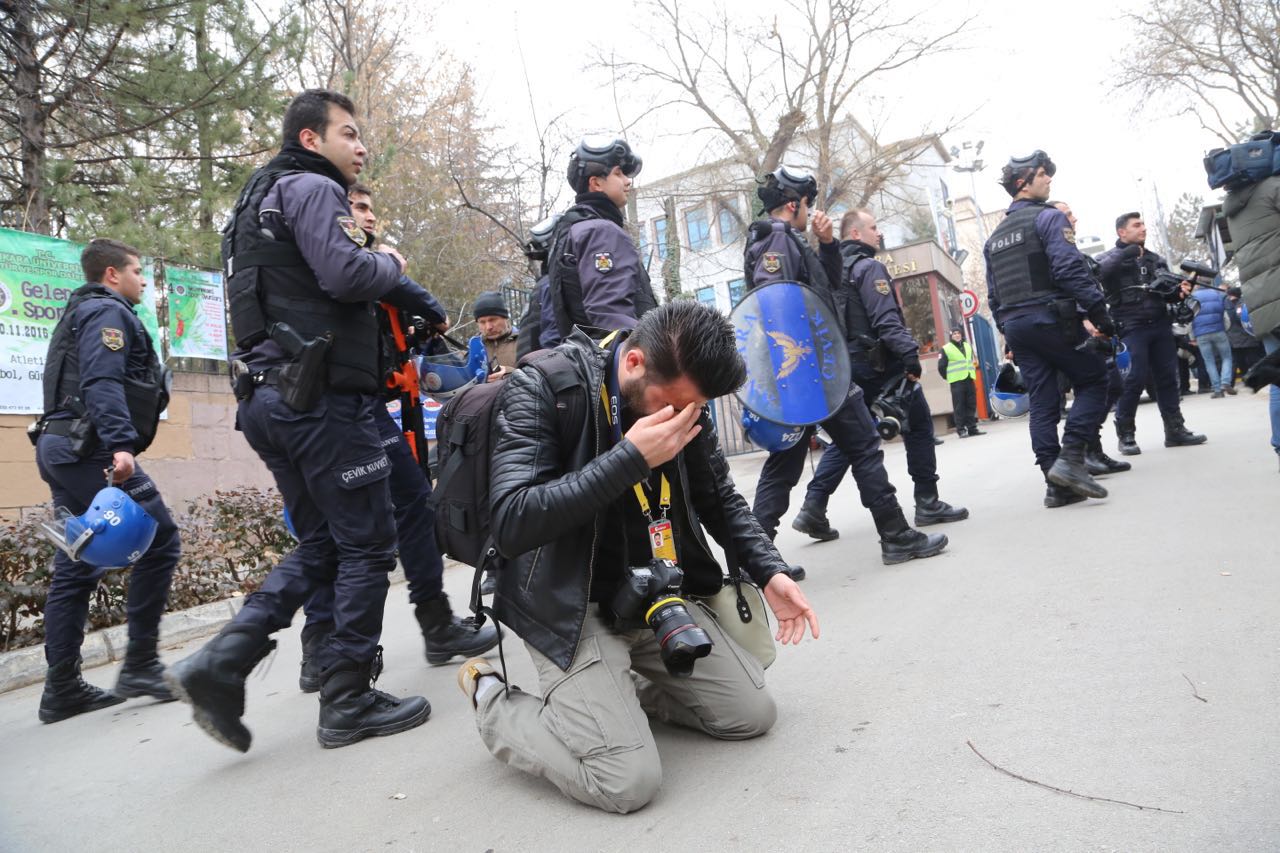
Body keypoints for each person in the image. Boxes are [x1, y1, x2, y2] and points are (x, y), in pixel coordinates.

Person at [456, 300, 819, 814]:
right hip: (570, 603)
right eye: (669, 407)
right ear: (633, 364)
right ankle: (490, 699)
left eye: (692, 409)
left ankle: (616, 698)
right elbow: (513, 519)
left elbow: (719, 496)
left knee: (752, 715)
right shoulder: (542, 386)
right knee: (626, 781)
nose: (679, 419)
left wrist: (770, 570)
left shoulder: (685, 399)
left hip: (651, 596)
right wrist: (630, 458)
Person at [166, 89, 430, 752]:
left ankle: (223, 661)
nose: (360, 145)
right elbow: (344, 275)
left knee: (321, 545)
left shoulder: (254, 203)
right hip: (320, 403)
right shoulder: (311, 189)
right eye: (348, 133)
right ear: (311, 140)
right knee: (369, 541)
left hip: (267, 402)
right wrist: (389, 262)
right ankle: (347, 699)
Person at [291, 182, 498, 692]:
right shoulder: (344, 257)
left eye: (368, 210)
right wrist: (425, 299)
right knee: (362, 520)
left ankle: (342, 644)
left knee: (389, 508)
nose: (366, 217)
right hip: (335, 405)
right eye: (357, 208)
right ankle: (347, 645)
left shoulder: (345, 259)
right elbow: (394, 287)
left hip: (347, 403)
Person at [746, 169, 946, 564]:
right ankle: (895, 535)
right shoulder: (777, 240)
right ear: (794, 204)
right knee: (862, 445)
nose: (812, 210)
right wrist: (805, 370)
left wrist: (827, 244)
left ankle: (754, 560)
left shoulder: (789, 241)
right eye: (808, 203)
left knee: (788, 464)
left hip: (808, 372)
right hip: (811, 372)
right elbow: (776, 307)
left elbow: (828, 286)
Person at [30, 238, 179, 722]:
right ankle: (140, 664)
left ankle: (62, 689)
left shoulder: (81, 312)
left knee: (78, 564)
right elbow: (101, 381)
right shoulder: (105, 313)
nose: (142, 280)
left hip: (61, 447)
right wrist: (120, 445)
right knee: (161, 540)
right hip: (89, 449)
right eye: (137, 271)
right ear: (112, 274)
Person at [793, 209, 967, 542]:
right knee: (918, 424)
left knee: (852, 438)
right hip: (878, 367)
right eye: (873, 227)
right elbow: (886, 320)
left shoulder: (827, 272)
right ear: (855, 234)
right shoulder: (868, 268)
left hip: (843, 367)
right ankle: (927, 501)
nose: (879, 233)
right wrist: (909, 357)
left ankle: (813, 507)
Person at [984, 151, 1115, 508]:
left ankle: (1055, 485)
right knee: (1093, 380)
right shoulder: (1048, 218)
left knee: (1042, 401)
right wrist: (1100, 313)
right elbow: (1070, 269)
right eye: (1043, 175)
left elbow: (993, 294)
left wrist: (1007, 330)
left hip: (1017, 326)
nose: (1049, 180)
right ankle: (1071, 459)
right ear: (1022, 183)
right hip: (1050, 318)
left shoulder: (994, 238)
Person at [1096, 212, 1206, 455]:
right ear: (1121, 232)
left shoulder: (1155, 260)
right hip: (1130, 326)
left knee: (1168, 378)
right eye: (1137, 225)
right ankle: (1126, 435)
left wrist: (1181, 290)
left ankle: (1175, 430)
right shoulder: (1108, 258)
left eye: (1143, 224)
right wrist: (1124, 254)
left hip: (1160, 325)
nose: (1143, 228)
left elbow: (1169, 292)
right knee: (1132, 380)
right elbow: (1098, 273)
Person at [542, 136, 656, 347]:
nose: (627, 180)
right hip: (620, 367)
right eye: (618, 173)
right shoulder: (600, 231)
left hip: (590, 361)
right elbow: (611, 317)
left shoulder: (573, 229)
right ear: (595, 183)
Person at [1049, 200, 1130, 476]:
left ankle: (1091, 448)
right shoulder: (1052, 248)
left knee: (1112, 385)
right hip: (1074, 328)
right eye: (1068, 213)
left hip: (1091, 324)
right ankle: (1083, 452)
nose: (1074, 218)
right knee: (1095, 386)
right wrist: (1086, 318)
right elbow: (1065, 286)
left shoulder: (1072, 250)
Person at [1223, 169, 1280, 468]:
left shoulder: (1235, 202)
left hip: (1260, 298)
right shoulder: (1274, 188)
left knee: (1276, 375)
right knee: (1274, 369)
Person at [515, 214, 560, 360]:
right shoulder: (550, 284)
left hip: (532, 368)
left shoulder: (543, 284)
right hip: (544, 367)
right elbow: (552, 340)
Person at [1189, 280, 1234, 397]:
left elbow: (1189, 318)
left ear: (1197, 285)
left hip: (1201, 334)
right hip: (1219, 331)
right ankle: (1225, 381)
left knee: (1209, 361)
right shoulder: (1217, 294)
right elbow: (1224, 315)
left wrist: (1192, 336)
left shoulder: (1192, 297)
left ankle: (1217, 389)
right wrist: (1225, 329)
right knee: (1227, 357)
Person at [938, 327, 983, 437]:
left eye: (958, 333)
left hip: (969, 378)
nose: (957, 335)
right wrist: (948, 377)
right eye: (954, 334)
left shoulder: (967, 346)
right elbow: (941, 367)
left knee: (971, 404)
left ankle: (972, 428)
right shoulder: (946, 348)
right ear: (951, 336)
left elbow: (970, 361)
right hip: (956, 381)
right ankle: (961, 429)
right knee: (959, 406)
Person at [471, 291, 518, 379]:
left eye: (492, 320)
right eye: (482, 322)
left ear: (505, 318)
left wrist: (510, 373)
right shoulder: (473, 348)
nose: (488, 327)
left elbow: (538, 373)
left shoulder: (524, 341)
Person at [1226, 287, 1264, 385]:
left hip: (1233, 339)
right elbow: (1244, 320)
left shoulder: (1226, 305)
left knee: (1236, 362)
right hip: (1248, 337)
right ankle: (1259, 378)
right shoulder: (1243, 304)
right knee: (1254, 360)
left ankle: (1230, 383)